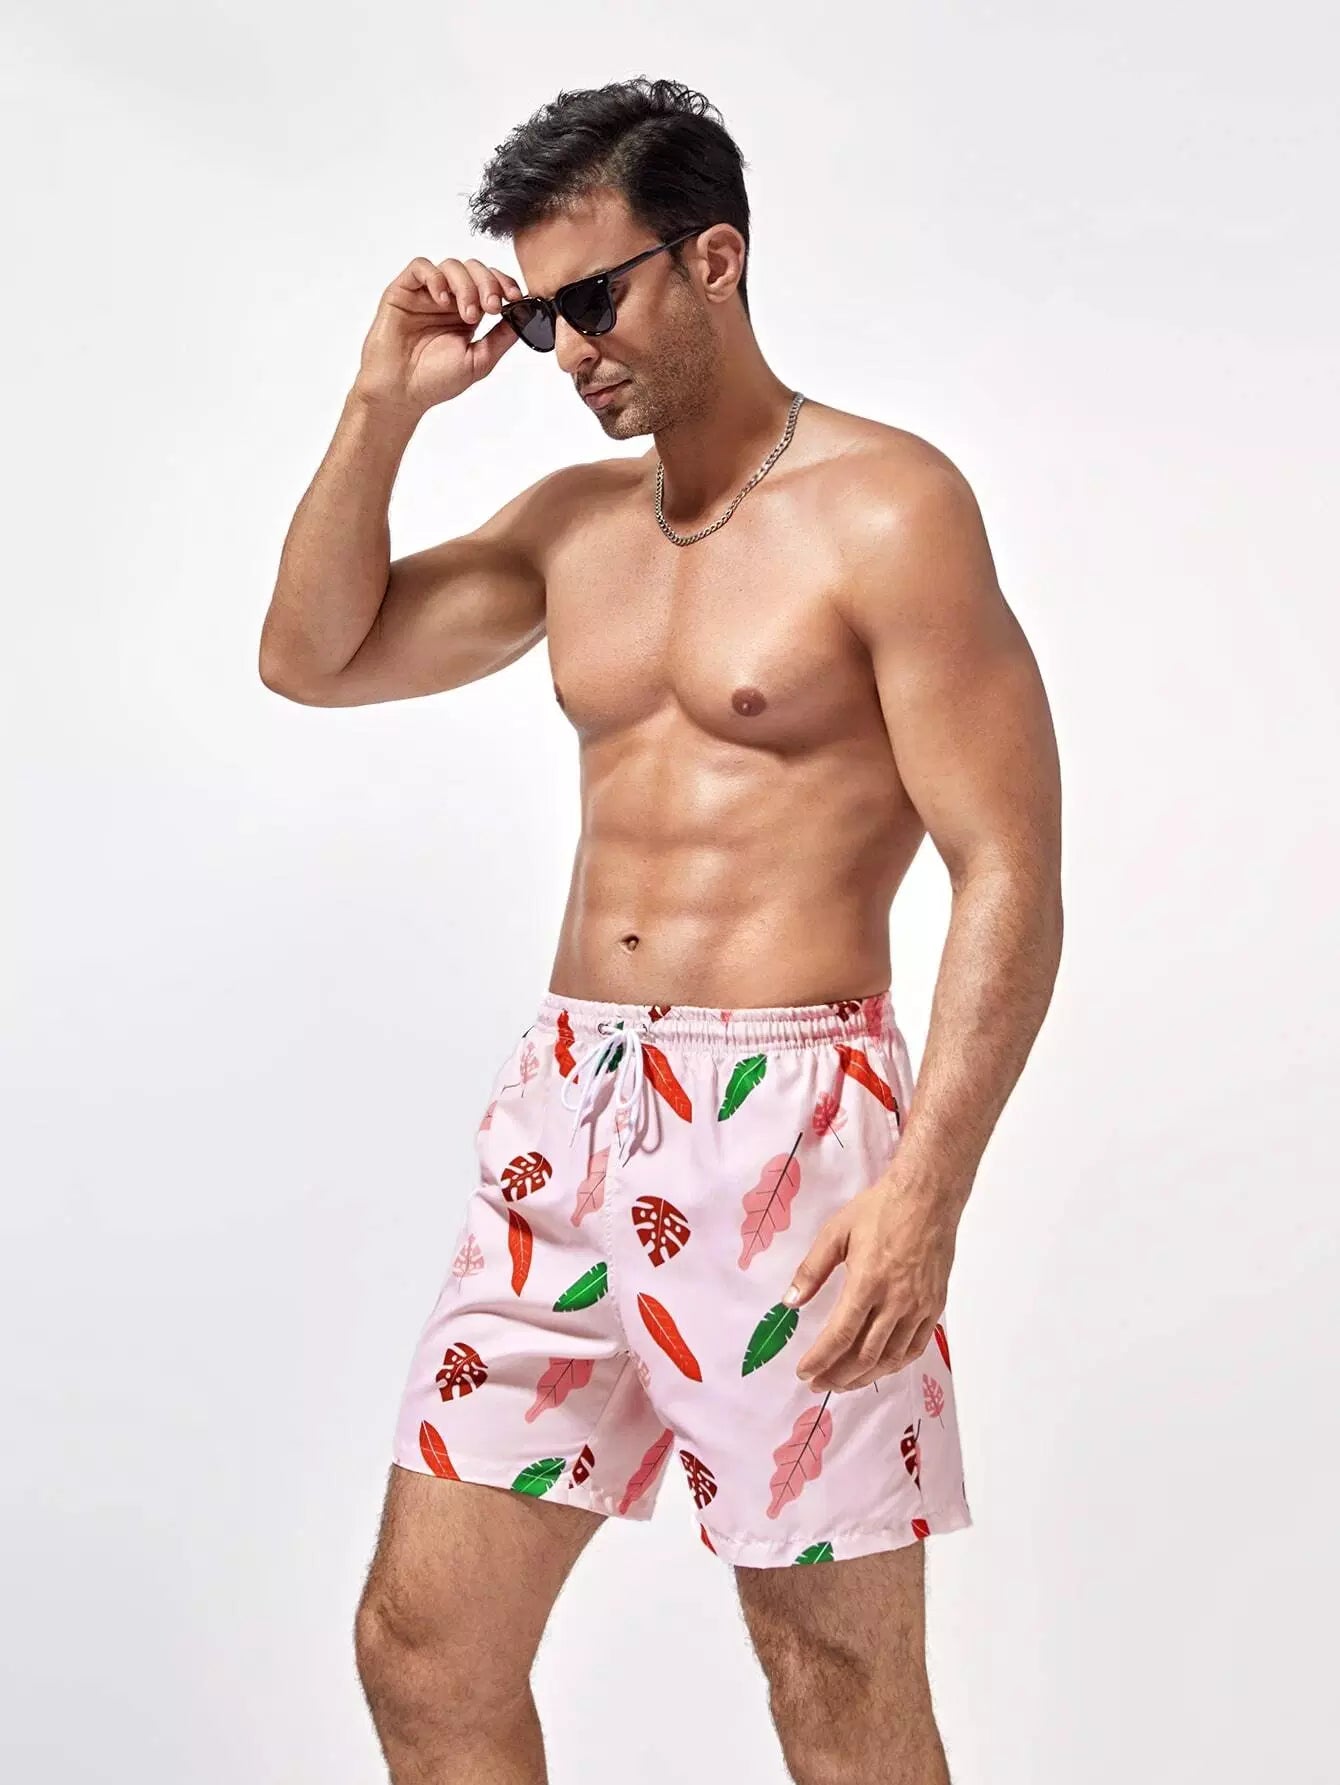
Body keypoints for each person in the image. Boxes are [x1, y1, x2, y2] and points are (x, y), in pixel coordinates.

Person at [259, 74, 1062, 1785]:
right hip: (566, 1117)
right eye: (539, 314)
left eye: (594, 299)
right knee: (422, 1649)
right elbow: (311, 657)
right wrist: (381, 406)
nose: (567, 350)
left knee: (833, 1686)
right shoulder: (572, 530)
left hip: (790, 1134)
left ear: (714, 258)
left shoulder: (889, 508)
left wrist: (927, 1190)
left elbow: (1007, 864)